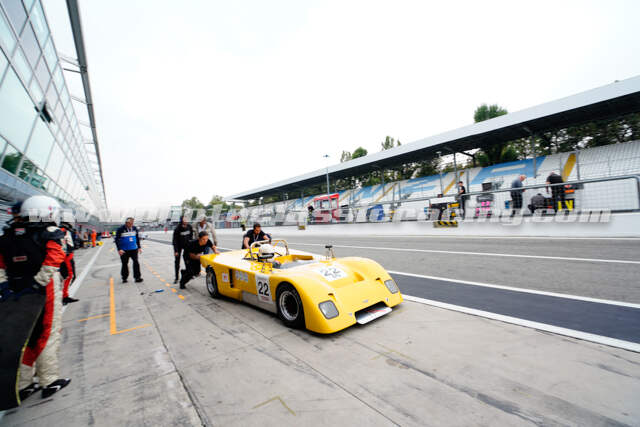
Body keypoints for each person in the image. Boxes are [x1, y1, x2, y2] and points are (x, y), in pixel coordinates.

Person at [0, 195, 71, 400]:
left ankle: (23, 384)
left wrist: (5, 286)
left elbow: (1, 266)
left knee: (25, 336)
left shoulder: (8, 235)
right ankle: (49, 380)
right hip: (43, 289)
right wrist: (38, 283)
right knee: (47, 333)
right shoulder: (49, 233)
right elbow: (55, 258)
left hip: (15, 290)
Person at [115, 217, 143, 283]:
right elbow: (117, 240)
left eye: (132, 223)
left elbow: (137, 238)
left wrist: (139, 247)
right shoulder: (120, 229)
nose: (131, 224)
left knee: (136, 262)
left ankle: (137, 278)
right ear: (126, 223)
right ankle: (124, 277)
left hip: (134, 249)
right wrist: (119, 249)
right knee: (124, 264)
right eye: (130, 223)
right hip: (124, 250)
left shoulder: (134, 228)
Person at [59, 222, 78, 305]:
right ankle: (64, 296)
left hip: (68, 255)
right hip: (67, 257)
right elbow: (62, 242)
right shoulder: (63, 230)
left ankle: (64, 296)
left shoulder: (65, 230)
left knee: (69, 276)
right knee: (69, 276)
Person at [172, 216, 193, 284]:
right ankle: (176, 277)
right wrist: (176, 251)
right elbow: (174, 240)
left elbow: (191, 237)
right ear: (181, 220)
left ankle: (188, 274)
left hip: (187, 245)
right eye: (184, 219)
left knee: (188, 260)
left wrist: (191, 246)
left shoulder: (189, 227)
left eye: (187, 219)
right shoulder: (177, 228)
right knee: (177, 262)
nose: (186, 220)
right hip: (179, 246)